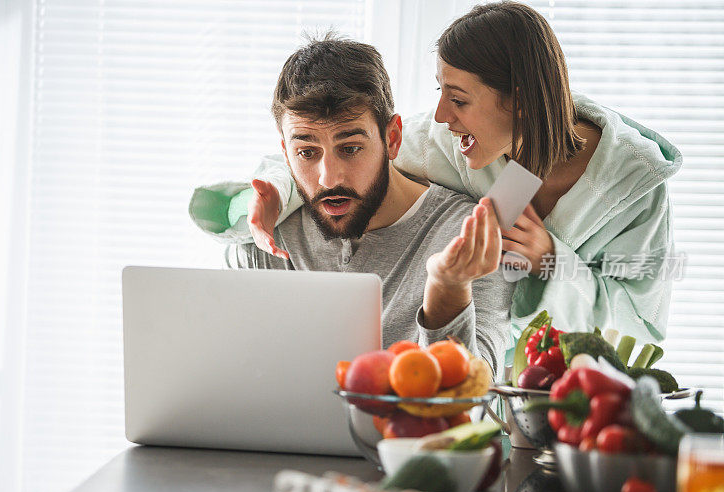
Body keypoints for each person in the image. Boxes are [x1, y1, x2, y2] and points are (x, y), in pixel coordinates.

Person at [190, 2, 681, 361]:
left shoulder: (634, 187)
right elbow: (332, 154)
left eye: (460, 99)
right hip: (504, 386)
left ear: (521, 102)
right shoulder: (451, 140)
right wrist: (272, 190)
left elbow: (642, 327)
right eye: (440, 94)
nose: (443, 115)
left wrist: (553, 262)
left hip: (572, 397)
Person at [221, 36, 514, 375]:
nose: (329, 179)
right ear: (286, 152)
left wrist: (447, 295)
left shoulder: (468, 239)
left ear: (392, 138)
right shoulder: (267, 239)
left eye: (350, 148)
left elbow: (471, 411)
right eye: (307, 152)